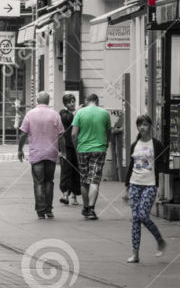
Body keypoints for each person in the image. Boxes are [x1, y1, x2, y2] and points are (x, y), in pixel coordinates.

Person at [124, 115, 168, 263]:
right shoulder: (134, 144)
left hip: (150, 184)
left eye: (145, 124)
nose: (142, 127)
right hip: (134, 184)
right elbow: (131, 166)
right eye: (139, 125)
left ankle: (160, 240)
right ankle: (135, 254)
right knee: (135, 219)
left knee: (143, 215)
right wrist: (126, 188)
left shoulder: (156, 144)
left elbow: (161, 167)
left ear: (150, 126)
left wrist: (160, 186)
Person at [18, 91, 65, 219]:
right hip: (51, 153)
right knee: (49, 181)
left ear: (37, 100)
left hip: (36, 153)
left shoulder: (30, 114)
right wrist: (63, 151)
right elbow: (61, 136)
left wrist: (20, 149)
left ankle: (40, 211)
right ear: (48, 101)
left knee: (39, 183)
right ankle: (49, 210)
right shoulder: (55, 115)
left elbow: (23, 134)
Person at [71, 93, 112, 221]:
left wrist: (76, 147)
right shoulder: (104, 113)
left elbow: (73, 134)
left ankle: (85, 207)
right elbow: (108, 132)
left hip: (83, 149)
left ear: (87, 101)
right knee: (94, 179)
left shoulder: (80, 113)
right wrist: (106, 144)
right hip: (99, 149)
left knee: (84, 180)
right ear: (97, 101)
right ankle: (91, 208)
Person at [57, 94, 81, 206]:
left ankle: (74, 196)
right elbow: (68, 119)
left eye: (73, 101)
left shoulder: (77, 113)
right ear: (65, 104)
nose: (72, 103)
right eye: (69, 102)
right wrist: (77, 112)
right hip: (66, 147)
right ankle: (65, 194)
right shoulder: (63, 113)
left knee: (76, 170)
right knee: (66, 170)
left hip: (76, 146)